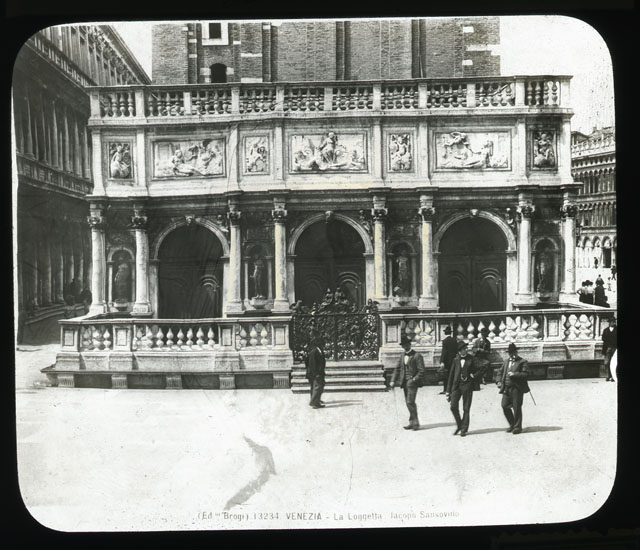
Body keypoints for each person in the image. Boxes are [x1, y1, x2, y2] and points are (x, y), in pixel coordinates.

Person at [446, 340, 481, 437]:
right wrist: (448, 390)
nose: (466, 350)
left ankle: (464, 429)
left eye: (466, 348)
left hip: (467, 385)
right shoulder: (455, 360)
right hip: (457, 385)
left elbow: (484, 366)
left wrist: (475, 375)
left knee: (466, 408)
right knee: (453, 406)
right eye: (464, 349)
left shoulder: (472, 359)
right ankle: (459, 425)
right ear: (459, 351)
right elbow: (451, 375)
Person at [390, 335, 425, 430]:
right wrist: (393, 380)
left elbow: (421, 371)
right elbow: (397, 369)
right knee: (408, 402)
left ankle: (416, 423)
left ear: (410, 344)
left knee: (410, 402)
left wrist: (414, 379)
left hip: (412, 383)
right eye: (403, 345)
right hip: (404, 382)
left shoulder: (417, 356)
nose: (405, 347)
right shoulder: (402, 355)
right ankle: (411, 422)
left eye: (406, 345)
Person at [497, 343, 531, 434]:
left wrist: (515, 374)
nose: (512, 354)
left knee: (516, 407)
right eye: (510, 353)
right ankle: (512, 424)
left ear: (516, 352)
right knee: (504, 405)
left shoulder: (522, 362)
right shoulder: (506, 362)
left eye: (513, 352)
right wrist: (498, 381)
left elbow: (526, 374)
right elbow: (500, 372)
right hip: (506, 388)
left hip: (517, 388)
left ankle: (517, 427)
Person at [305, 335, 326, 408]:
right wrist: (316, 374)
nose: (324, 345)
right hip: (315, 373)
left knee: (318, 386)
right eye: (322, 343)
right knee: (317, 386)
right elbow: (312, 364)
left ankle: (316, 400)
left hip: (319, 372)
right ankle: (314, 403)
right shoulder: (314, 352)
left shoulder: (319, 351)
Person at [438, 326, 458, 395]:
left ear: (445, 333)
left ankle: (446, 389)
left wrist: (442, 361)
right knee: (453, 375)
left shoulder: (445, 341)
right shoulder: (454, 340)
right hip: (454, 360)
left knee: (446, 376)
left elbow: (444, 352)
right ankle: (452, 388)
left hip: (447, 361)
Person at [602, 318, 617, 382]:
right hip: (607, 348)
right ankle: (608, 375)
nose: (614, 323)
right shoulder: (605, 330)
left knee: (614, 363)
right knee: (606, 362)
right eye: (613, 322)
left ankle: (613, 376)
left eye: (614, 322)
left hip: (615, 348)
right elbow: (603, 338)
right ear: (610, 323)